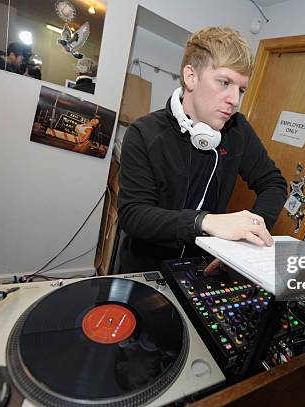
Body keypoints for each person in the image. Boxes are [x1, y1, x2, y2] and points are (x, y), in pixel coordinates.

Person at [118, 26, 287, 273]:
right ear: (191, 77)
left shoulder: (238, 131)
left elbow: (274, 183)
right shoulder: (144, 133)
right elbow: (133, 215)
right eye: (224, 82)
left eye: (240, 89)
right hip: (146, 270)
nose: (235, 100)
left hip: (204, 269)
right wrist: (204, 222)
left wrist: (246, 236)